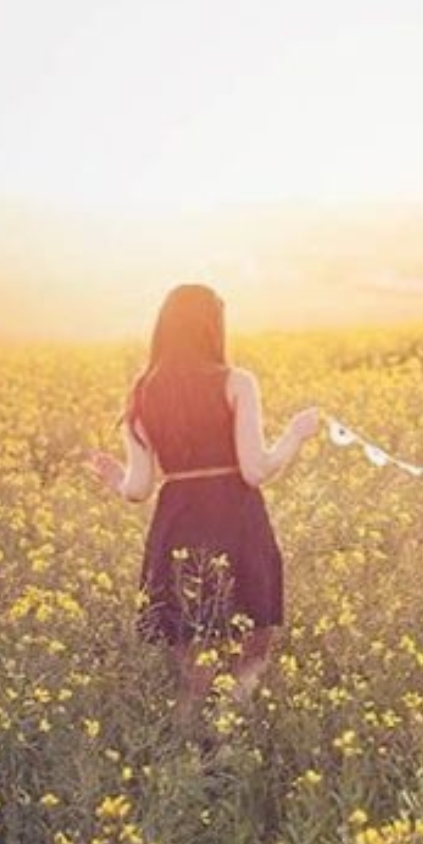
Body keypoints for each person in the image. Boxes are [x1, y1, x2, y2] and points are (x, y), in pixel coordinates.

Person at [88, 284, 319, 723]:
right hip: (235, 520)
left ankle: (190, 756)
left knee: (195, 672)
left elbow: (138, 489)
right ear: (213, 326)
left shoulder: (142, 391)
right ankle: (228, 750)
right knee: (251, 653)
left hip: (177, 524)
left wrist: (114, 477)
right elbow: (256, 469)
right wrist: (296, 433)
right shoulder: (236, 382)